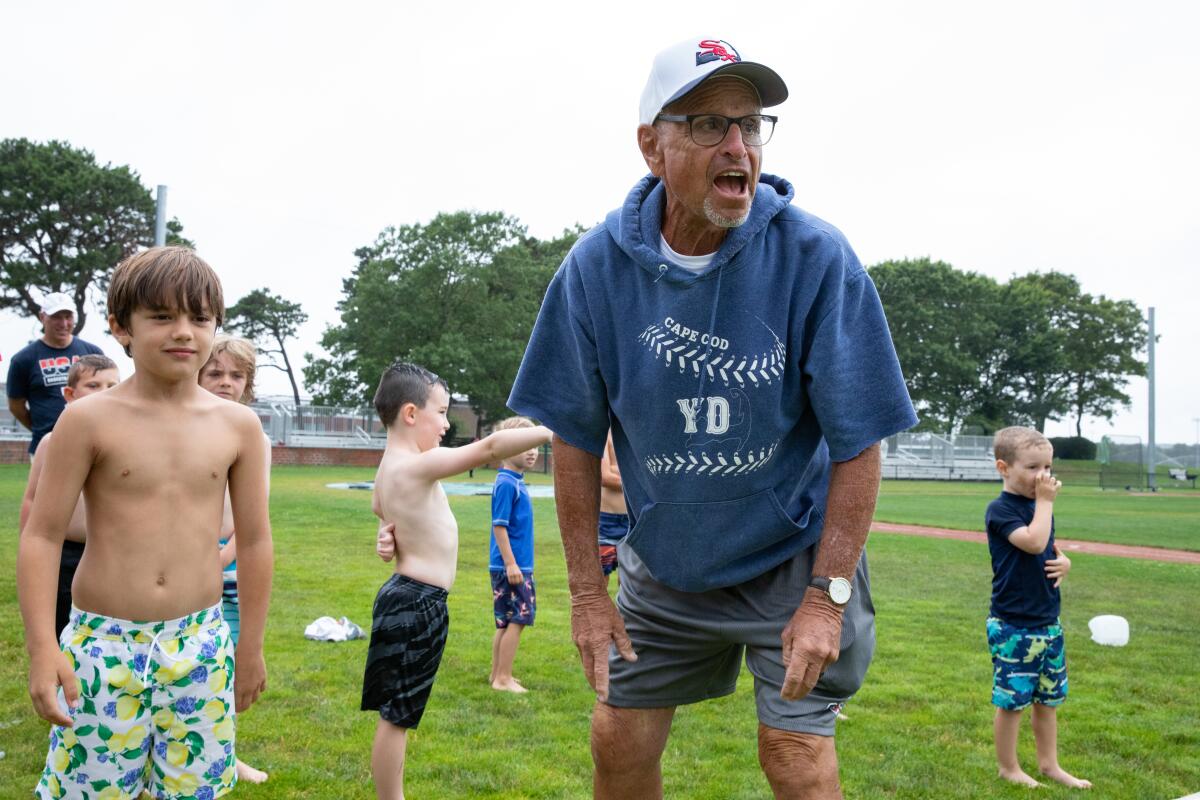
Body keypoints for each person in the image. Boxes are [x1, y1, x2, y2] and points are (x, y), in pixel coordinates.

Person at [508, 36, 917, 799]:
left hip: (792, 559)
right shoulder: (594, 270)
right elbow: (572, 437)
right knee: (616, 739)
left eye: (750, 124)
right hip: (667, 562)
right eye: (707, 125)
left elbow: (861, 441)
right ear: (651, 146)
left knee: (792, 756)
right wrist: (588, 595)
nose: (738, 146)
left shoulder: (817, 258)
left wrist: (826, 599)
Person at [18, 246, 273, 800]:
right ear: (120, 326)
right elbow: (40, 535)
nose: (184, 332)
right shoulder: (86, 420)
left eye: (199, 318)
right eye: (162, 316)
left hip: (201, 644)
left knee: (190, 791)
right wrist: (43, 648)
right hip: (102, 645)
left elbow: (254, 541)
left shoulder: (239, 426)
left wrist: (248, 648)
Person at [364, 362, 552, 800]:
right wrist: (550, 431)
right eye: (443, 412)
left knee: (397, 713)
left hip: (405, 597)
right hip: (417, 602)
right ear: (411, 414)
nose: (448, 424)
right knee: (398, 716)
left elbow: (380, 508)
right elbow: (491, 448)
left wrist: (387, 534)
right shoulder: (416, 465)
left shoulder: (389, 468)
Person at [985, 427, 1091, 789]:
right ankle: (1009, 767)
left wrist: (1066, 565)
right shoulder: (1000, 510)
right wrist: (1045, 503)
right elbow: (1031, 542)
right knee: (1013, 702)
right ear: (1004, 467)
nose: (1043, 476)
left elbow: (1049, 548)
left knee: (1048, 700)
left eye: (1047, 466)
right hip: (1014, 625)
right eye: (1032, 467)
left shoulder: (1037, 506)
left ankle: (1050, 765)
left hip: (1048, 622)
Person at [198, 333, 273, 785]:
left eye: (236, 375)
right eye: (216, 373)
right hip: (185, 561)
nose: (226, 383)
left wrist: (220, 557)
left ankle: (225, 753)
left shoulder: (250, 432)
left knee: (226, 662)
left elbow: (251, 516)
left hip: (226, 563)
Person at [19, 355, 120, 638]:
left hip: (111, 553)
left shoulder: (127, 445)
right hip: (65, 552)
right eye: (93, 385)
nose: (104, 392)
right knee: (60, 622)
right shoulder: (52, 443)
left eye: (112, 385)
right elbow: (31, 499)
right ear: (70, 394)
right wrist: (27, 550)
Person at [6, 292, 104, 455]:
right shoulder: (23, 359)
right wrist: (41, 428)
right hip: (46, 446)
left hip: (90, 444)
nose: (64, 323)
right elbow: (16, 406)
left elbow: (107, 394)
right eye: (56, 317)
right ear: (42, 317)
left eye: (68, 316)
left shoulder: (92, 353)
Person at [487, 416, 540, 694]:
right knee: (519, 619)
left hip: (511, 565)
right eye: (526, 445)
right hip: (513, 567)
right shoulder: (507, 483)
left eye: (535, 445)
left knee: (506, 621)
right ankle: (503, 678)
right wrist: (511, 564)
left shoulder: (513, 481)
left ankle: (498, 675)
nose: (533, 450)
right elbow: (499, 526)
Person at [597, 430, 629, 585]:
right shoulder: (603, 433)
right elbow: (605, 477)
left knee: (630, 581)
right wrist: (634, 482)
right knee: (599, 580)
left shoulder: (634, 431)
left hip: (632, 520)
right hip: (606, 521)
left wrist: (616, 469)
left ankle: (623, 611)